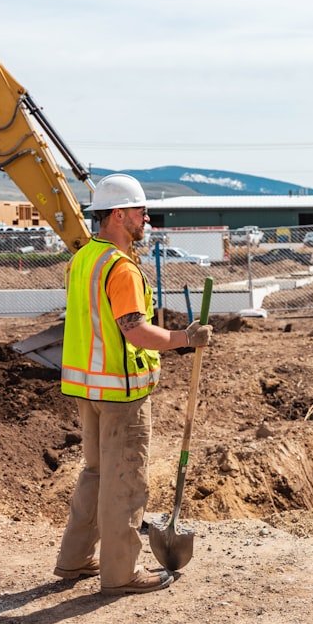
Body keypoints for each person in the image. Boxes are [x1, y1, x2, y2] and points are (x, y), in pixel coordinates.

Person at [54, 173, 213, 595]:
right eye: (142, 211)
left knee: (94, 473)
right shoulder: (119, 268)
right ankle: (121, 573)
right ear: (120, 214)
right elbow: (135, 331)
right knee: (125, 480)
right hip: (121, 393)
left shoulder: (84, 258)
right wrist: (185, 339)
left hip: (88, 387)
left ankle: (74, 560)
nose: (147, 218)